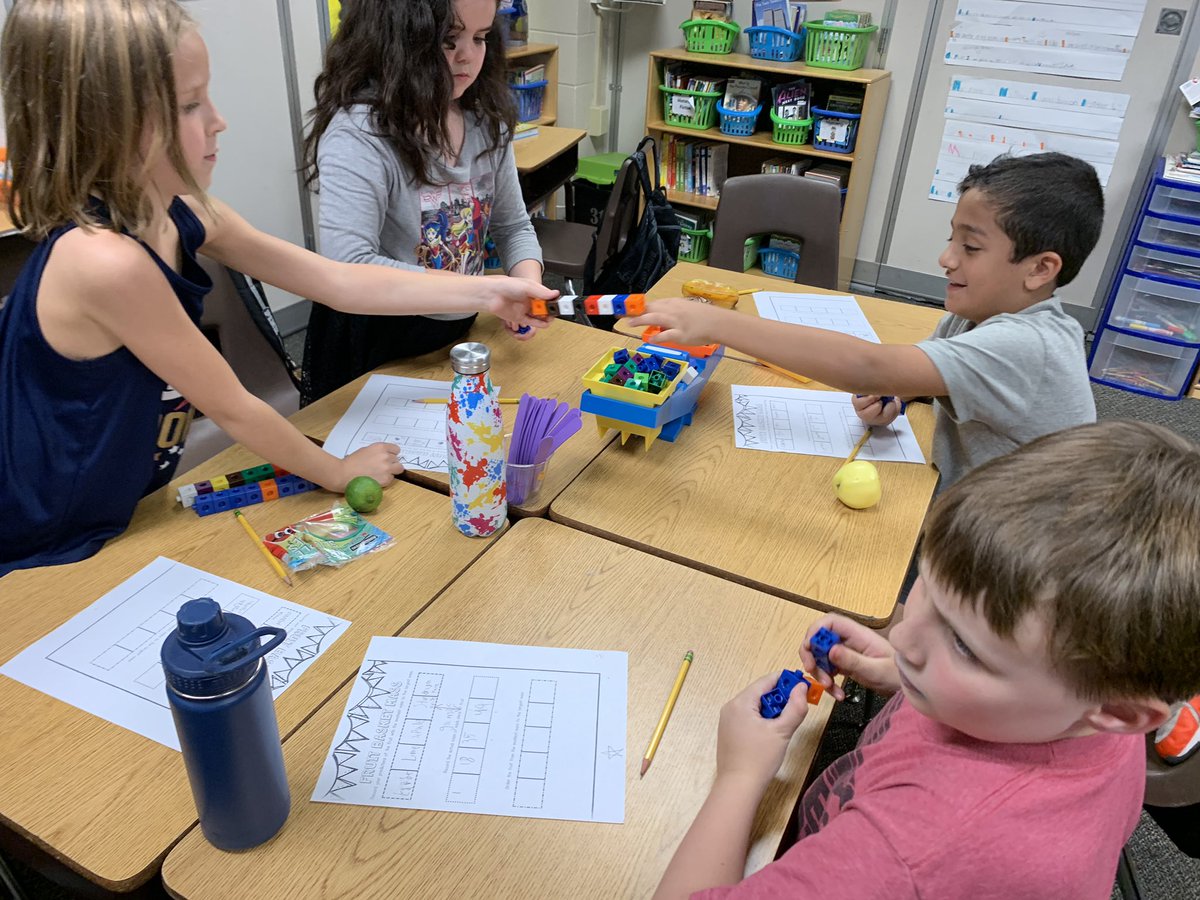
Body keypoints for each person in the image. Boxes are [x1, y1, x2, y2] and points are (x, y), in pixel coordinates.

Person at [0, 0, 553, 578]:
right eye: (190, 104)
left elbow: (336, 280)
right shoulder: (105, 262)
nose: (218, 121)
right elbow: (235, 407)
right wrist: (338, 471)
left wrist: (488, 293)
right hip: (47, 528)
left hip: (120, 499)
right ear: (106, 122)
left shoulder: (189, 212)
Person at [653, 420, 1200, 899]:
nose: (906, 635)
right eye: (928, 587)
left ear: (1121, 712)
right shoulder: (1097, 692)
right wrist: (898, 673)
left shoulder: (913, 850)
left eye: (963, 644)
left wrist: (741, 775)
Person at [627, 152, 1103, 487]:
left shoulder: (1028, 346)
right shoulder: (977, 315)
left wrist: (715, 323)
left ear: (1040, 269)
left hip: (1019, 553)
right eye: (951, 239)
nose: (946, 259)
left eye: (971, 247)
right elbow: (912, 374)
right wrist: (898, 392)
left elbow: (869, 366)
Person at [300, 0, 544, 404]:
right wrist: (484, 292)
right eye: (449, 40)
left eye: (480, 38)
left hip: (458, 331)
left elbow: (513, 225)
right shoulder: (360, 134)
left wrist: (528, 287)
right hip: (377, 340)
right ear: (400, 39)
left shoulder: (485, 120)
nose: (468, 56)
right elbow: (350, 264)